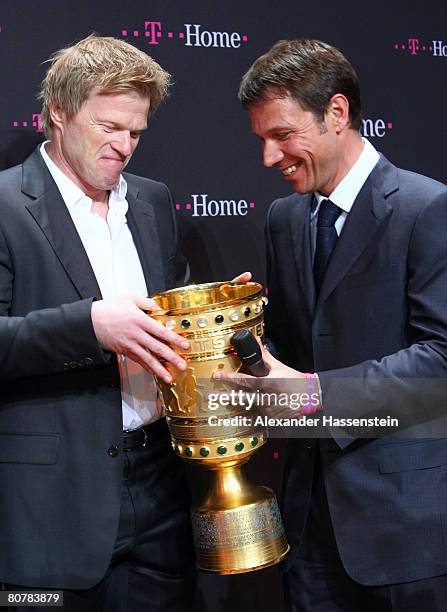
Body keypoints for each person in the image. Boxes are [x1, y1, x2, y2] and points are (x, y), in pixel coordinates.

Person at [214, 39, 447, 610]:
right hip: (308, 523)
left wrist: (318, 397)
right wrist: (244, 332)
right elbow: (293, 356)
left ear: (337, 114)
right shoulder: (284, 218)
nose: (270, 158)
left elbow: (440, 358)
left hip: (403, 526)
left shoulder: (426, 208)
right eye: (261, 139)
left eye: (282, 135)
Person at [0, 34, 212, 612]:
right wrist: (90, 326)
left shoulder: (151, 201)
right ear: (57, 114)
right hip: (50, 506)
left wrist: (210, 319)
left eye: (137, 132)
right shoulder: (4, 205)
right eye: (109, 127)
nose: (124, 146)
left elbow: (171, 320)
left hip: (160, 491)